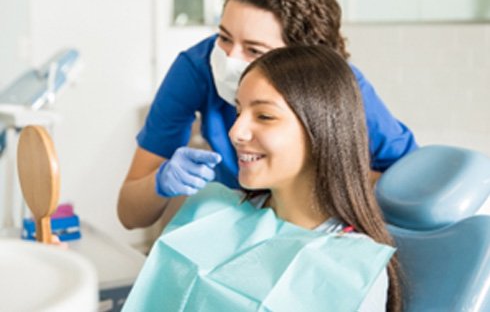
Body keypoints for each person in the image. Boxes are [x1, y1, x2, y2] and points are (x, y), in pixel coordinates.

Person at [117, 0, 417, 229]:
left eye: (254, 49)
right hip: (242, 227)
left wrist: (333, 178)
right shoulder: (197, 68)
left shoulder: (340, 88)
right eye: (223, 37)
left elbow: (414, 191)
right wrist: (161, 181)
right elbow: (130, 214)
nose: (230, 58)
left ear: (303, 63)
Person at [122, 46, 402, 312]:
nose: (236, 132)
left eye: (264, 116)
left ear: (321, 130)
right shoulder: (210, 211)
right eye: (239, 111)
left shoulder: (354, 268)